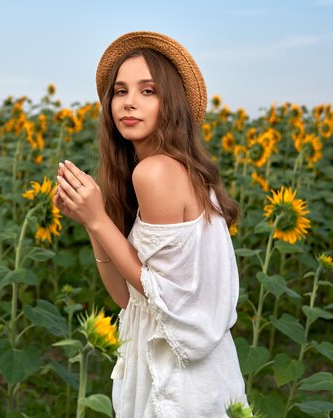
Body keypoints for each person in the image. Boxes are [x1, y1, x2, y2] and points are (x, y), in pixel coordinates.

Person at [54, 31, 249, 417]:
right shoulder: (178, 169)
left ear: (171, 103)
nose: (129, 103)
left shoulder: (156, 172)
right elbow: (128, 299)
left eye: (148, 91)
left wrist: (97, 218)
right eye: (120, 91)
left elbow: (157, 296)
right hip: (192, 368)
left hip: (173, 376)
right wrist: (96, 225)